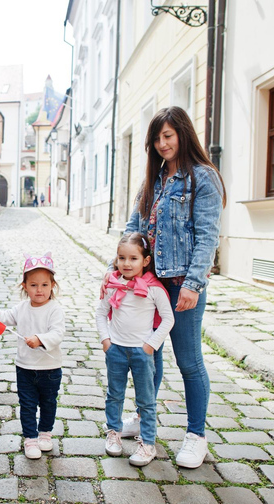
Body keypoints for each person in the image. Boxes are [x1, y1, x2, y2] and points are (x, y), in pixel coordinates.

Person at [115, 106, 226, 468]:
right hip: (149, 285)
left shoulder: (203, 178)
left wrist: (194, 284)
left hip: (182, 286)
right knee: (149, 356)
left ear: (182, 134)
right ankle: (146, 420)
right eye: (157, 138)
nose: (163, 144)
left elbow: (208, 236)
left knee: (189, 360)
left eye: (169, 136)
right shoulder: (154, 180)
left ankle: (196, 436)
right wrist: (115, 271)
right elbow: (133, 227)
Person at [96, 233, 174, 466]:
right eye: (121, 258)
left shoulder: (154, 289)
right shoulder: (112, 286)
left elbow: (168, 319)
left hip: (142, 352)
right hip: (116, 350)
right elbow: (101, 313)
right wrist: (106, 341)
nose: (127, 264)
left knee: (146, 400)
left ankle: (148, 443)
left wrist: (150, 345)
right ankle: (114, 433)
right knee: (115, 394)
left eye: (133, 258)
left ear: (145, 261)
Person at [0, 253, 65, 460]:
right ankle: (30, 438)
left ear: (52, 285)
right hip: (24, 367)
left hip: (49, 368)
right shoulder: (21, 309)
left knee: (49, 402)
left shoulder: (54, 309)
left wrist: (40, 339)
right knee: (28, 404)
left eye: (44, 285)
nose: (39, 290)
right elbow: (3, 319)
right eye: (33, 285)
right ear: (24, 286)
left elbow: (57, 334)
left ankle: (45, 434)